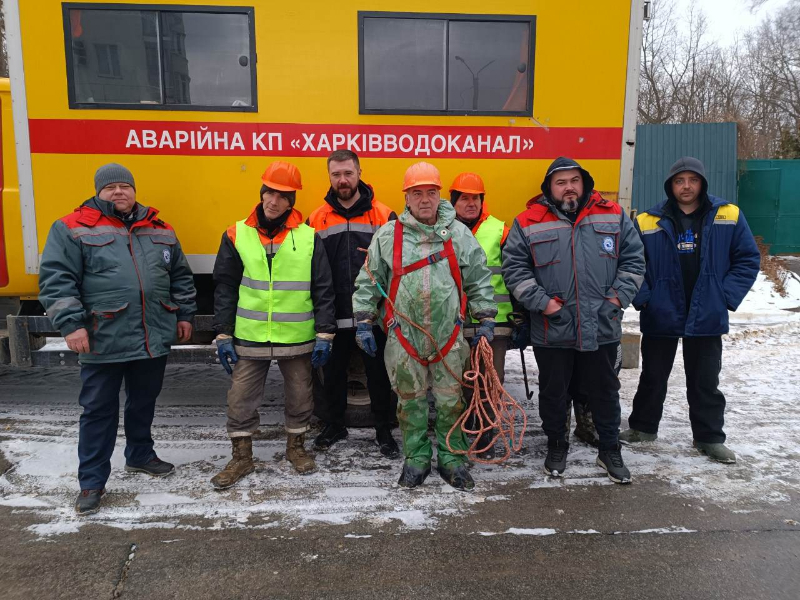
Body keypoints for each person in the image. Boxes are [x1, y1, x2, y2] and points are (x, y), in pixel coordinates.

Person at [38, 163, 197, 515]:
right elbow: (56, 279)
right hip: (101, 336)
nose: (119, 192)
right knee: (98, 411)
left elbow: (180, 277)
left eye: (125, 186)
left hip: (150, 335)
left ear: (134, 191)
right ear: (98, 192)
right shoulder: (72, 228)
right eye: (111, 188)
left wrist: (184, 314)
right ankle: (92, 482)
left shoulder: (161, 229)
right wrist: (71, 324)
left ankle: (140, 455)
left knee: (144, 401)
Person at [353, 162, 496, 490]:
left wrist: (486, 316)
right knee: (410, 400)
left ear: (439, 194)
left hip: (450, 337)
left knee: (450, 400)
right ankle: (415, 459)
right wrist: (363, 321)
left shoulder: (459, 234)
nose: (425, 199)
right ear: (406, 197)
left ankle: (452, 459)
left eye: (431, 192)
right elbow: (368, 279)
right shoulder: (389, 236)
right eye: (417, 193)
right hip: (404, 338)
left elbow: (477, 276)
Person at [502, 157, 645, 483]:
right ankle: (556, 445)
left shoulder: (613, 215)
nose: (568, 187)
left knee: (605, 391)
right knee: (554, 393)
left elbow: (635, 261)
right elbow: (514, 270)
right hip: (553, 328)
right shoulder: (527, 222)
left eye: (574, 180)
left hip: (602, 325)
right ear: (549, 188)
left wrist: (616, 299)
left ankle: (610, 450)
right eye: (560, 181)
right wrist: (543, 304)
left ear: (584, 183)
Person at [621, 157, 760, 463]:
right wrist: (645, 298)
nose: (686, 186)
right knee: (653, 376)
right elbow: (631, 262)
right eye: (679, 181)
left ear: (702, 183)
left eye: (692, 180)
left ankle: (709, 438)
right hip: (662, 310)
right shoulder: (647, 220)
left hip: (706, 311)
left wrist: (725, 295)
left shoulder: (728, 215)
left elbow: (747, 259)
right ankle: (643, 428)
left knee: (705, 380)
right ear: (670, 185)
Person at [210, 161, 336, 488]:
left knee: (300, 397)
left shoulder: (308, 237)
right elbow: (224, 286)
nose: (273, 201)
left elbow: (323, 287)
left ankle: (296, 449)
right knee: (240, 399)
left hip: (297, 337)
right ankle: (241, 458)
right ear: (261, 192)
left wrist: (325, 332)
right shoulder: (236, 234)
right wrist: (223, 332)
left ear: (291, 200)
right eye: (269, 192)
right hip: (250, 337)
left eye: (281, 195)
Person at [307, 150, 399, 457]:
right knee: (332, 376)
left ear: (359, 172)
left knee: (380, 376)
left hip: (372, 317)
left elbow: (394, 268)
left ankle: (384, 429)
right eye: (336, 175)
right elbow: (312, 272)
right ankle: (334, 425)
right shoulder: (316, 219)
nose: (342, 180)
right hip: (333, 315)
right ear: (329, 177)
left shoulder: (385, 216)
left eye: (348, 173)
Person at [449, 172, 513, 458]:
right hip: (457, 322)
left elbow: (514, 274)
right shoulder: (443, 231)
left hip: (495, 323)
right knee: (462, 381)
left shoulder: (500, 230)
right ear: (453, 202)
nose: (470, 203)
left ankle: (487, 433)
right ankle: (466, 430)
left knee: (490, 380)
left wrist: (520, 316)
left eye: (475, 198)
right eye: (464, 198)